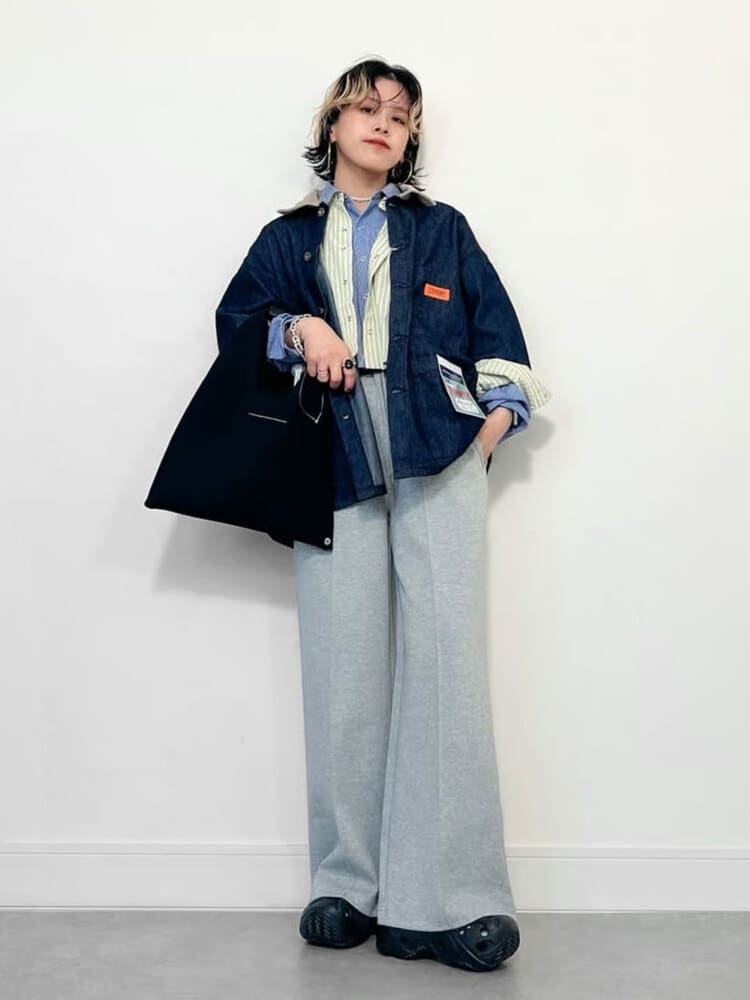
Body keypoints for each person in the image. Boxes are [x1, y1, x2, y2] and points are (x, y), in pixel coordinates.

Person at [215, 56, 551, 973]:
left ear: (409, 142)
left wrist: (490, 431)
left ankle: (446, 900)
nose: (383, 123)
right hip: (330, 457)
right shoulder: (288, 238)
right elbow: (236, 326)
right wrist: (301, 328)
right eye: (366, 108)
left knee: (448, 671)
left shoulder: (442, 231)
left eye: (400, 117)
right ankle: (347, 883)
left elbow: (499, 337)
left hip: (439, 451)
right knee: (342, 667)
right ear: (332, 126)